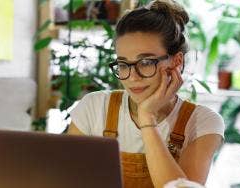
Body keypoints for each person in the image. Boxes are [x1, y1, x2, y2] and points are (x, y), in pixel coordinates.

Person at [67, 0, 225, 188]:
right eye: (123, 64)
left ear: (176, 62)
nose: (132, 77)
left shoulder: (202, 122)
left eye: (146, 62)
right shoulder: (95, 107)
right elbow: (66, 178)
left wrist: (147, 118)